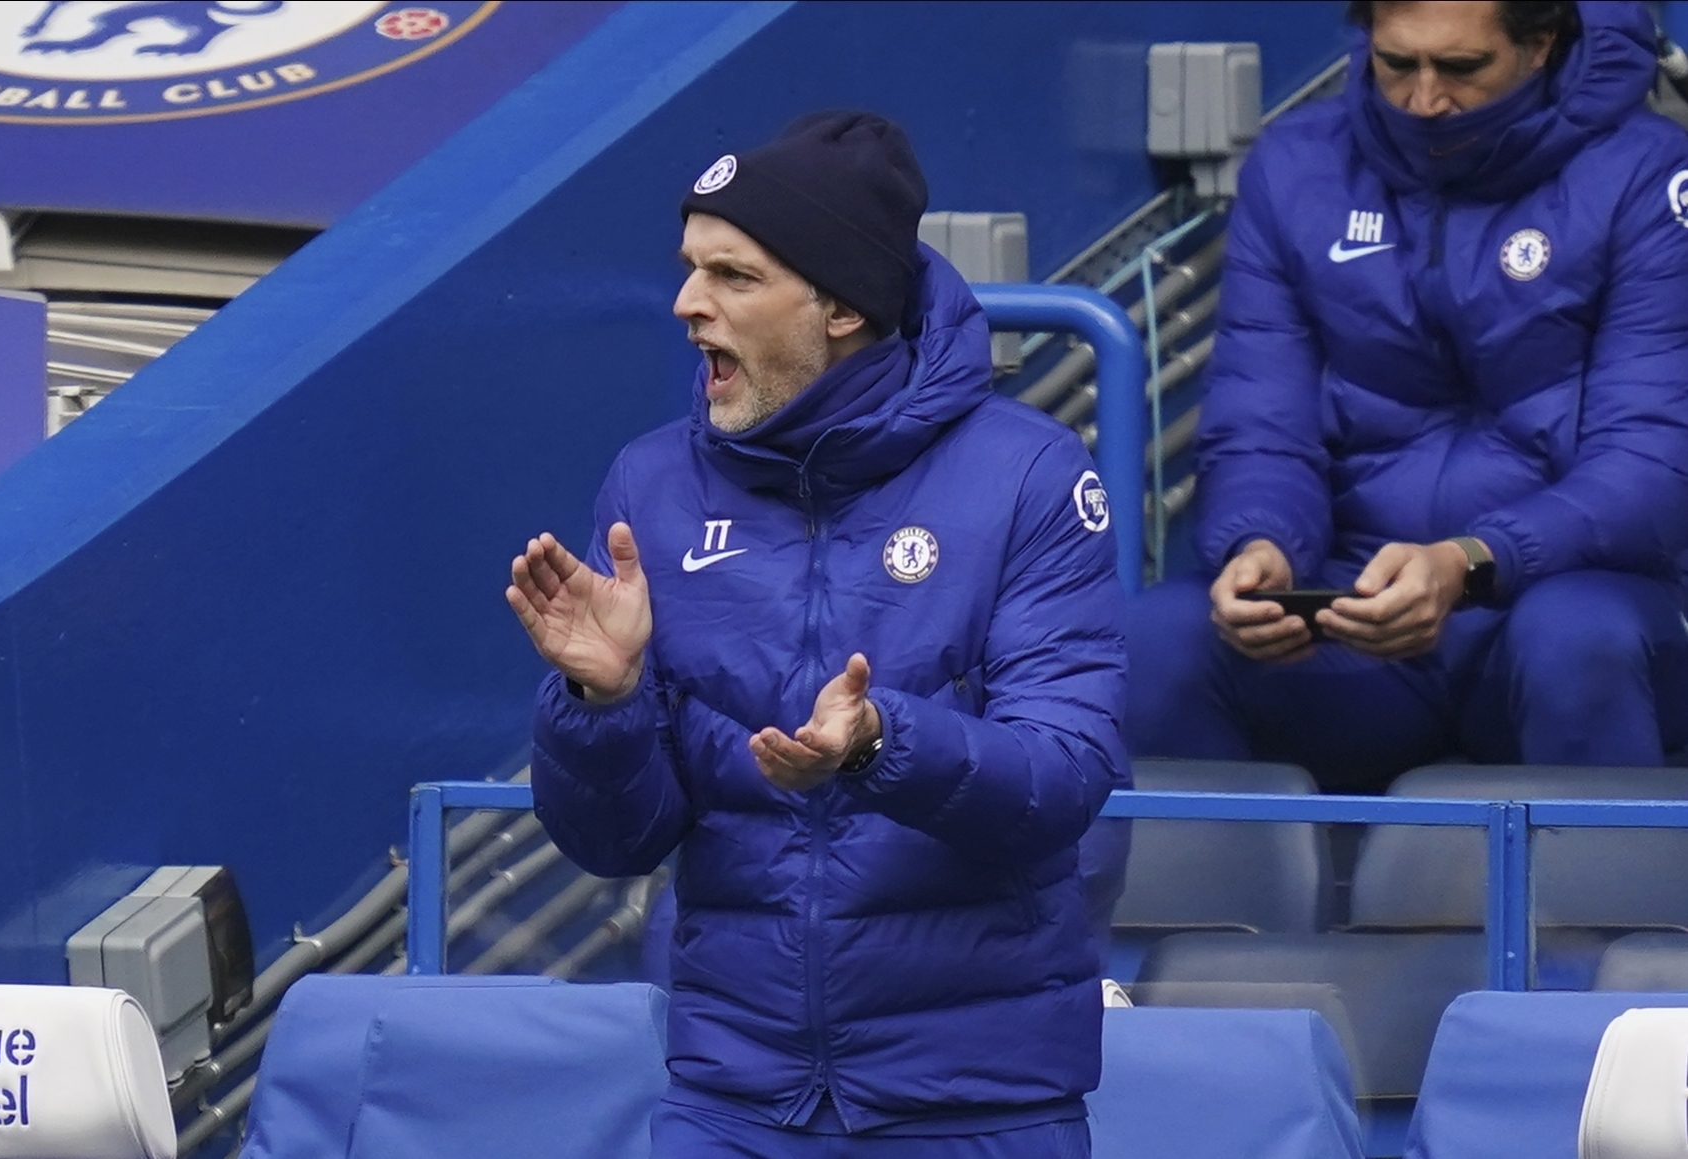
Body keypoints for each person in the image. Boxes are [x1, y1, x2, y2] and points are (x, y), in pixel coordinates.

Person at [505, 111, 1128, 1157]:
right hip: (733, 1100)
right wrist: (601, 705)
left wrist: (885, 742)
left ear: (839, 303)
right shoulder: (647, 486)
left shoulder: (1030, 476)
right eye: (690, 269)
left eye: (732, 276)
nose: (685, 304)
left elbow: (1064, 777)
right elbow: (615, 842)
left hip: (975, 1103)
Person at [1126, 0, 1688, 791]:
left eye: (1461, 68)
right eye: (1396, 64)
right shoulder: (1294, 167)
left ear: (1540, 45)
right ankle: (1211, 917)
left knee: (1574, 635)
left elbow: (1648, 470)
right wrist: (1261, 548)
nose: (1424, 99)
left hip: (1562, 599)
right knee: (1158, 634)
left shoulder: (1650, 173)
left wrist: (1468, 563)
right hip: (1356, 605)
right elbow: (1259, 424)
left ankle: (1608, 916)